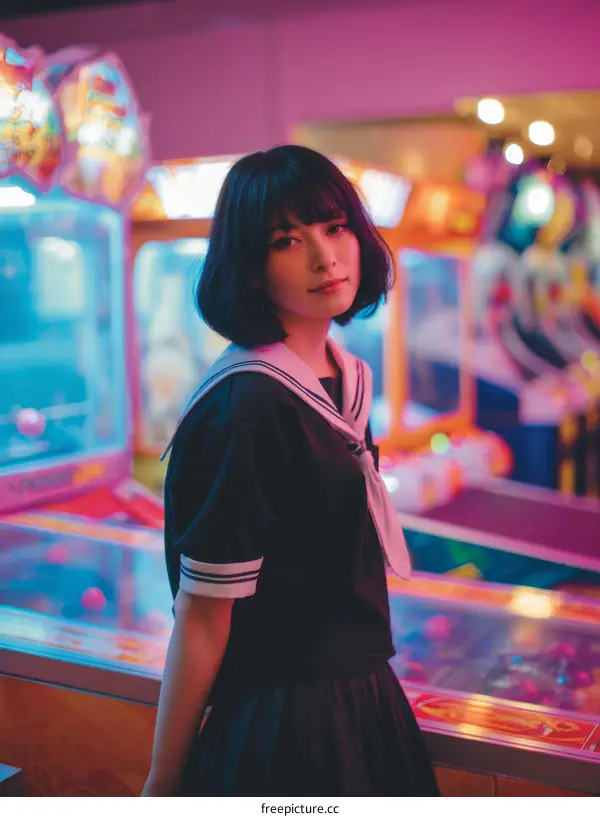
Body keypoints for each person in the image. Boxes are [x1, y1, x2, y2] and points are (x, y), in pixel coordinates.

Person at [142, 145, 440, 797]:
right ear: (248, 270)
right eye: (286, 239)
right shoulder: (244, 404)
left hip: (366, 696)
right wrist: (164, 779)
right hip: (285, 724)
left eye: (334, 227)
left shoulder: (342, 374)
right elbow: (201, 614)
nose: (325, 255)